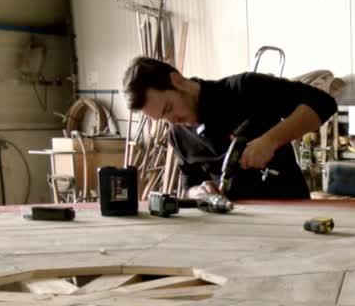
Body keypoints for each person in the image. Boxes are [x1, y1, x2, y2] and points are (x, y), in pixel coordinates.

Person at [122, 56, 337, 200]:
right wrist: (198, 192)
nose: (172, 120)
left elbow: (323, 103)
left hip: (289, 211)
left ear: (176, 80)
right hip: (233, 228)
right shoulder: (178, 136)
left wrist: (271, 140)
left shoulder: (244, 89)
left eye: (168, 108)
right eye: (162, 118)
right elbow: (189, 185)